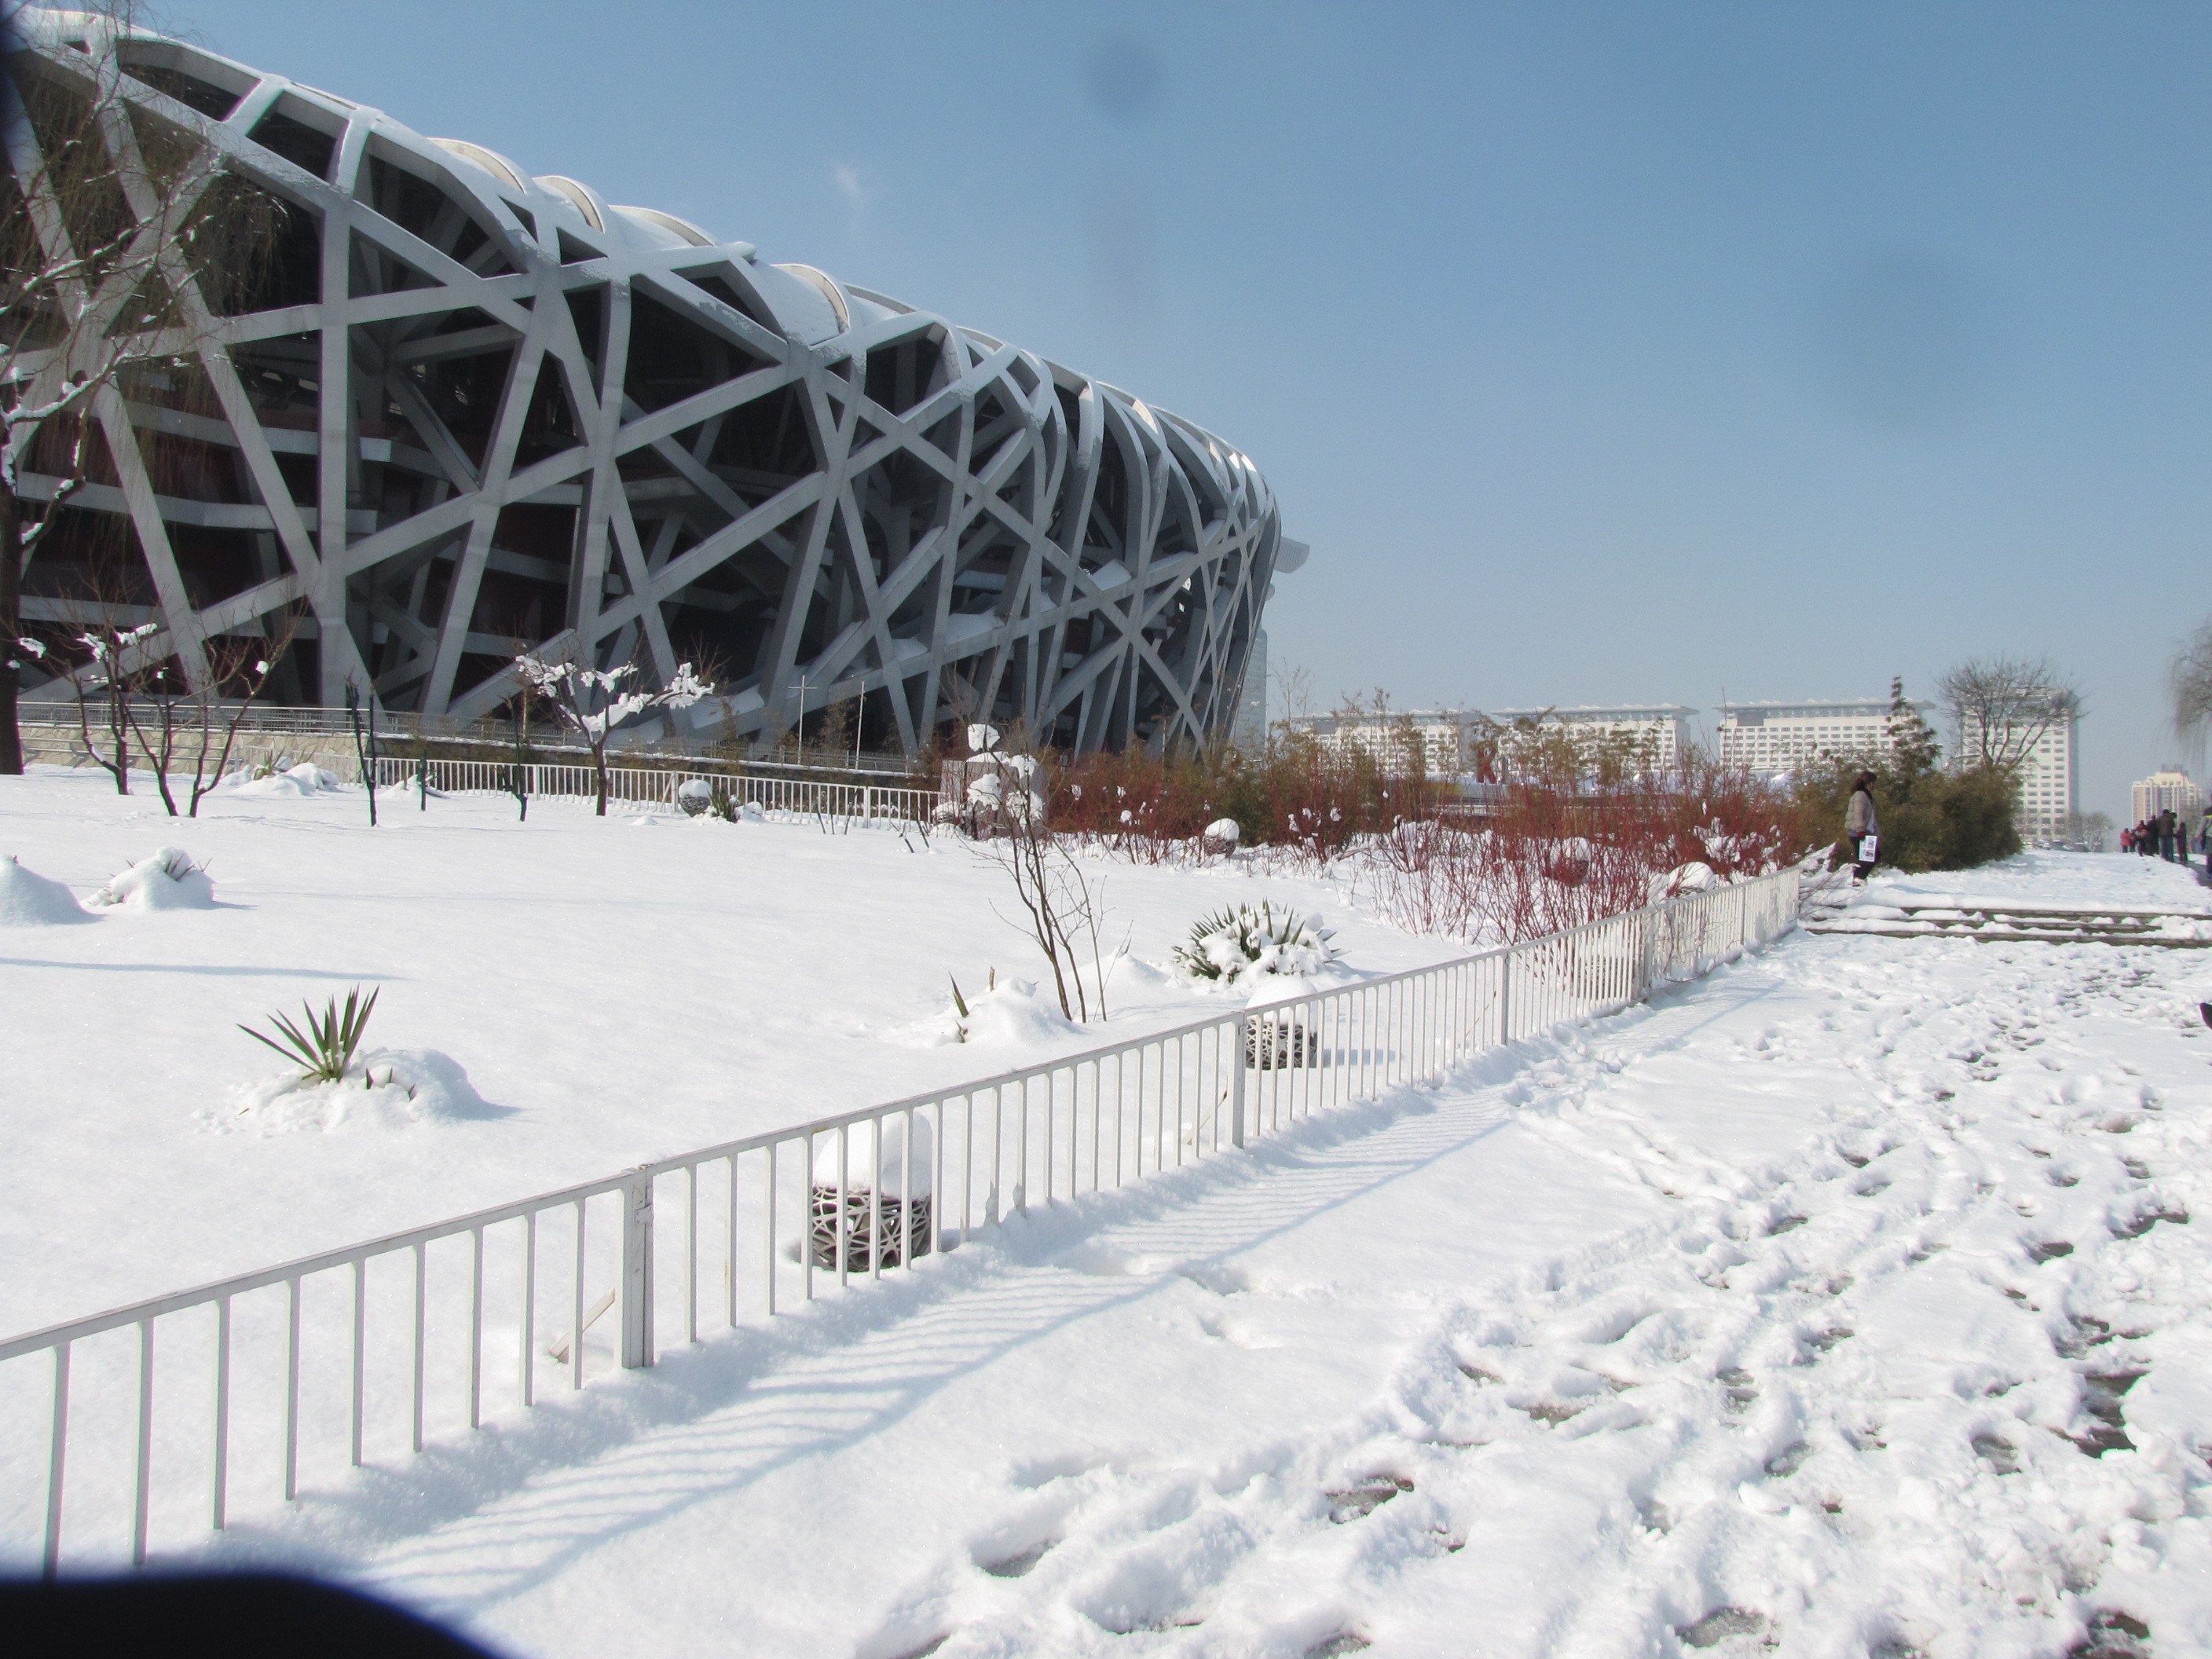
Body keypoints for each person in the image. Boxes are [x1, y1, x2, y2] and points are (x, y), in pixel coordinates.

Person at [1844, 771, 1879, 884]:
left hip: (1865, 832)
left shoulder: (1865, 794)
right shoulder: (1861, 795)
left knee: (1864, 858)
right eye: (1874, 783)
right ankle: (1859, 879)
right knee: (1872, 856)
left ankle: (1857, 880)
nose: (1874, 785)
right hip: (1859, 833)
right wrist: (1860, 830)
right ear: (1870, 783)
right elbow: (1858, 813)